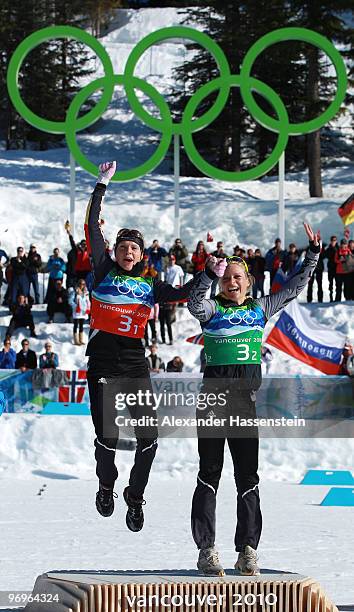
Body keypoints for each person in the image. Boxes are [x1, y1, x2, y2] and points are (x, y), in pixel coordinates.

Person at [187, 222, 320, 577]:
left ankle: (247, 550)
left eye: (238, 277)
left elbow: (294, 288)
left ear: (248, 282)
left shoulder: (260, 308)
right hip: (213, 403)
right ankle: (206, 550)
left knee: (248, 477)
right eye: (226, 277)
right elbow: (194, 304)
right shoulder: (212, 310)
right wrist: (205, 275)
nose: (232, 282)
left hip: (244, 404)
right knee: (209, 475)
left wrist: (312, 256)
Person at [84, 161, 199, 531]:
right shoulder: (103, 269)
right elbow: (91, 227)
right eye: (123, 247)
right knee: (108, 439)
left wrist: (209, 273)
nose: (128, 252)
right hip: (102, 362)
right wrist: (102, 184)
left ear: (141, 255)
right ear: (116, 253)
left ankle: (135, 497)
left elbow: (183, 293)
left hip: (135, 365)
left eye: (133, 247)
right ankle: (106, 486)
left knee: (149, 439)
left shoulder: (151, 286)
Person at [69, 278, 91, 345]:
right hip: (77, 311)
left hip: (83, 312)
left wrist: (88, 308)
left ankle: (80, 340)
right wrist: (75, 306)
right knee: (76, 325)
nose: (82, 285)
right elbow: (70, 301)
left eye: (83, 284)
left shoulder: (86, 292)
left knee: (81, 325)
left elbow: (88, 301)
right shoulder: (75, 291)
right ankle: (76, 340)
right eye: (81, 284)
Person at [324, 235, 339, 302]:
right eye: (332, 240)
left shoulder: (338, 248)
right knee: (331, 284)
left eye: (335, 240)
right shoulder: (328, 248)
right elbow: (325, 255)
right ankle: (331, 297)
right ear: (330, 241)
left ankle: (337, 298)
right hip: (330, 268)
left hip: (337, 268)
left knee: (337, 283)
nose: (334, 241)